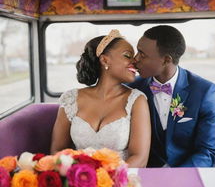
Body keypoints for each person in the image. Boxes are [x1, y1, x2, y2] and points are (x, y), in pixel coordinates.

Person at [50, 29, 151, 168]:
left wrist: (105, 181)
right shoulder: (70, 99)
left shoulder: (137, 100)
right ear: (104, 60)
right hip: (80, 182)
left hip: (121, 182)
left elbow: (139, 158)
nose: (135, 61)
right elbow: (57, 151)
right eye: (127, 55)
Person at [129, 25, 215, 167]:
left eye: (142, 54)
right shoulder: (131, 88)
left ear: (166, 60)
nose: (135, 59)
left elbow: (208, 150)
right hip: (143, 174)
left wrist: (177, 177)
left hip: (188, 174)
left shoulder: (203, 91)